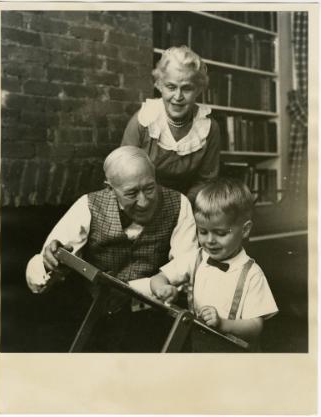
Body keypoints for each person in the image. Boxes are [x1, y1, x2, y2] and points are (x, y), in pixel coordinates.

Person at [26, 146, 198, 352]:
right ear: (110, 188)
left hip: (151, 317)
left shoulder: (179, 204)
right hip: (93, 314)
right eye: (131, 193)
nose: (144, 202)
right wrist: (49, 265)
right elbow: (40, 272)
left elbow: (186, 265)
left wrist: (148, 287)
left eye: (150, 188)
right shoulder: (87, 205)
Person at [150, 177, 278, 350]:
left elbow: (256, 326)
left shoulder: (252, 274)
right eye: (202, 231)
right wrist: (162, 289)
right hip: (199, 347)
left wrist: (222, 324)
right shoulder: (196, 258)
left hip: (237, 357)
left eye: (221, 233)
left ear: (245, 230)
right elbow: (159, 278)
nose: (210, 240)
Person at [121, 46, 220, 203]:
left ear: (199, 90)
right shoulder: (144, 121)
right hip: (142, 202)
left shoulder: (209, 128)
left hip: (186, 205)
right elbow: (123, 173)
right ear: (160, 85)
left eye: (187, 88)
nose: (178, 96)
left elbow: (206, 180)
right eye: (171, 87)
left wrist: (182, 206)